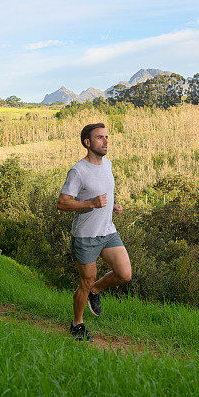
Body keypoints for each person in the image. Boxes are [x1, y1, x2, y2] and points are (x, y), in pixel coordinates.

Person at [57, 123, 132, 341]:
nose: (106, 141)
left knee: (124, 274)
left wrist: (113, 205)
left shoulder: (107, 164)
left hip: (108, 232)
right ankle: (77, 323)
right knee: (85, 281)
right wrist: (91, 203)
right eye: (100, 137)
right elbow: (62, 204)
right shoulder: (78, 171)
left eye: (106, 137)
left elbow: (105, 193)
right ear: (87, 143)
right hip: (86, 237)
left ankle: (95, 291)